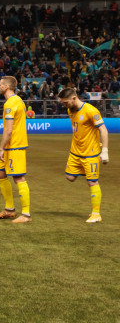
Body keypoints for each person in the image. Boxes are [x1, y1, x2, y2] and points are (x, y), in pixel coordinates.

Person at [58, 87, 108, 223]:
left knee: (92, 181)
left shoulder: (91, 111)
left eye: (66, 102)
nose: (64, 105)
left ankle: (96, 214)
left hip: (90, 154)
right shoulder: (71, 110)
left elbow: (103, 129)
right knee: (70, 177)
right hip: (75, 152)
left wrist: (104, 150)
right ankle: (88, 172)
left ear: (74, 98)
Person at [0, 76, 31, 224]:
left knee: (18, 178)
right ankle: (9, 210)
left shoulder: (11, 103)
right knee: (0, 173)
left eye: (0, 84)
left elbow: (8, 130)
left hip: (15, 145)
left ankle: (26, 214)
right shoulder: (16, 101)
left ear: (7, 87)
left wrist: (1, 148)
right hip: (12, 145)